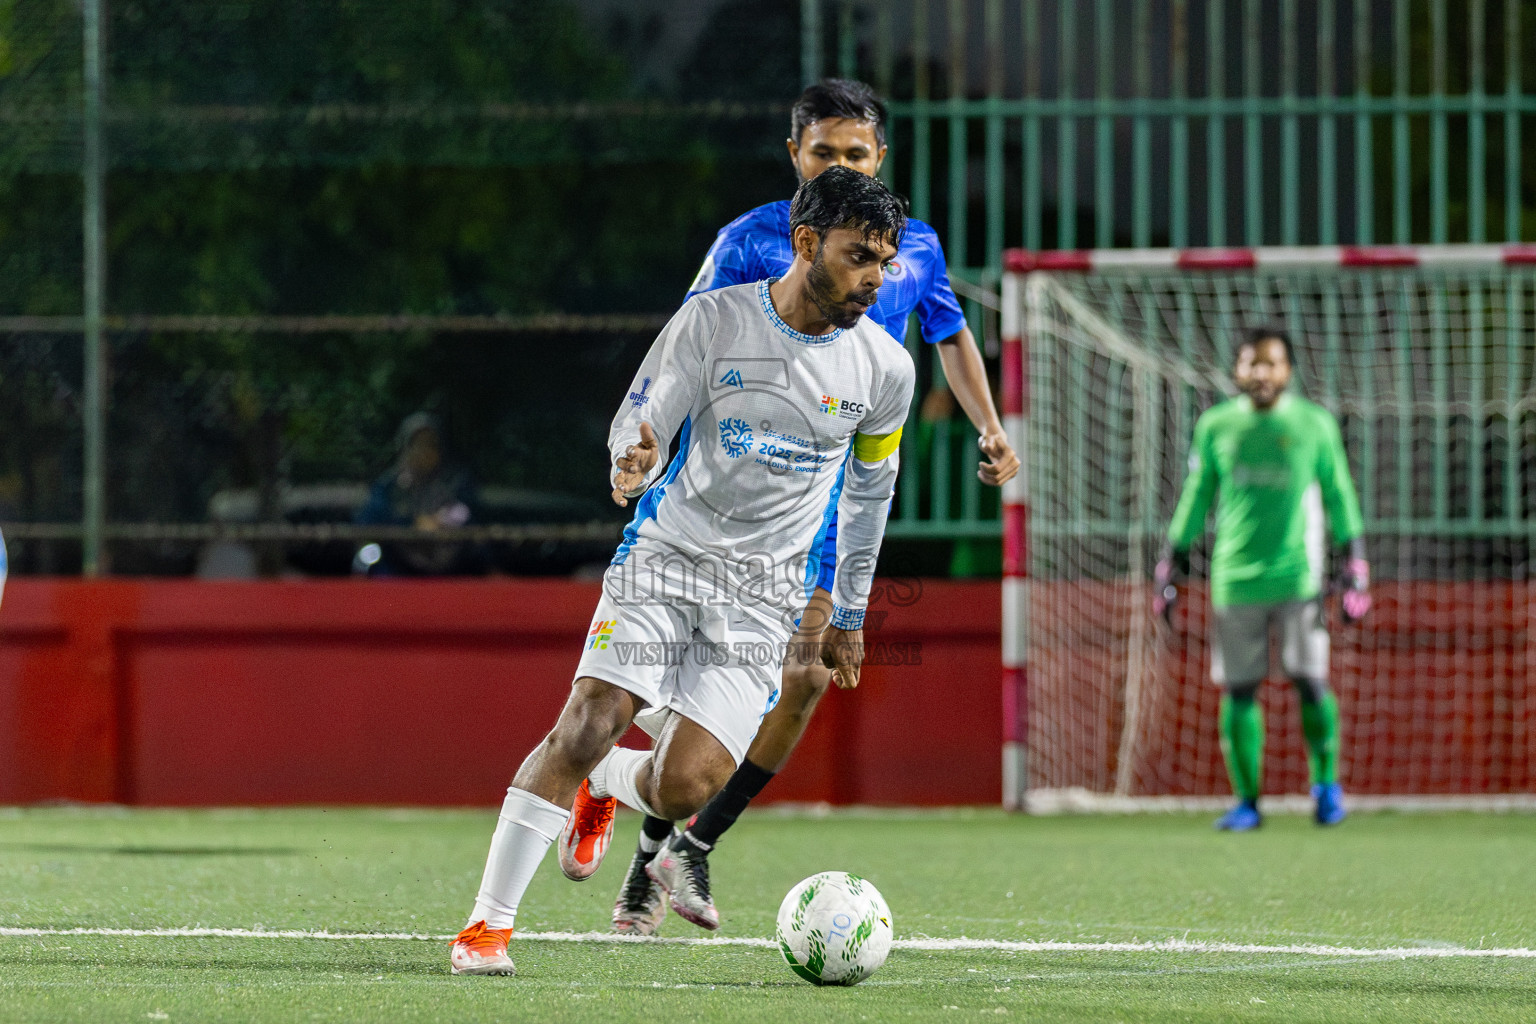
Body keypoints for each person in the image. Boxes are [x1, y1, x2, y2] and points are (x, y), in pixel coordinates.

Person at [558, 77, 1020, 938]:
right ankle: (641, 822)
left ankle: (686, 842)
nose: (839, 163)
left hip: (838, 497)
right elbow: (692, 338)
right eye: (823, 152)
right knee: (715, 684)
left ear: (879, 157)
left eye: (855, 152)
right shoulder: (751, 242)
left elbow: (950, 333)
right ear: (795, 157)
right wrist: (653, 443)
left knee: (804, 679)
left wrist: (990, 427)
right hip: (742, 499)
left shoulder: (912, 246)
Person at [448, 166, 915, 975]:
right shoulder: (713, 322)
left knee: (685, 788)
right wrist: (633, 457)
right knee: (588, 721)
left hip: (764, 596)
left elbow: (873, 491)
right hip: (666, 556)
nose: (874, 279)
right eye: (857, 257)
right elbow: (645, 415)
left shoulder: (885, 369)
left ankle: (608, 785)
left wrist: (850, 610)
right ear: (806, 244)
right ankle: (487, 927)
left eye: (884, 260)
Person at [1154, 328, 1371, 832]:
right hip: (1235, 579)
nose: (1261, 373)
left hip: (1300, 578)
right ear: (1236, 371)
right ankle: (1248, 802)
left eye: (1271, 363)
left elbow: (1339, 493)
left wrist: (1356, 564)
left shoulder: (1314, 424)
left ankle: (1326, 788)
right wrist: (1171, 563)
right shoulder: (1216, 425)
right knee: (1240, 689)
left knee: (1311, 682)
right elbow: (1196, 494)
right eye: (1252, 363)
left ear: (1288, 371)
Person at [354, 412, 482, 576]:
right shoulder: (389, 486)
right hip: (398, 573)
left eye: (431, 444)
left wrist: (439, 521)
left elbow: (467, 511)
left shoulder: (455, 483)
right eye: (418, 444)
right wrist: (411, 524)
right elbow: (369, 523)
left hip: (449, 573)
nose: (425, 452)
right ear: (405, 447)